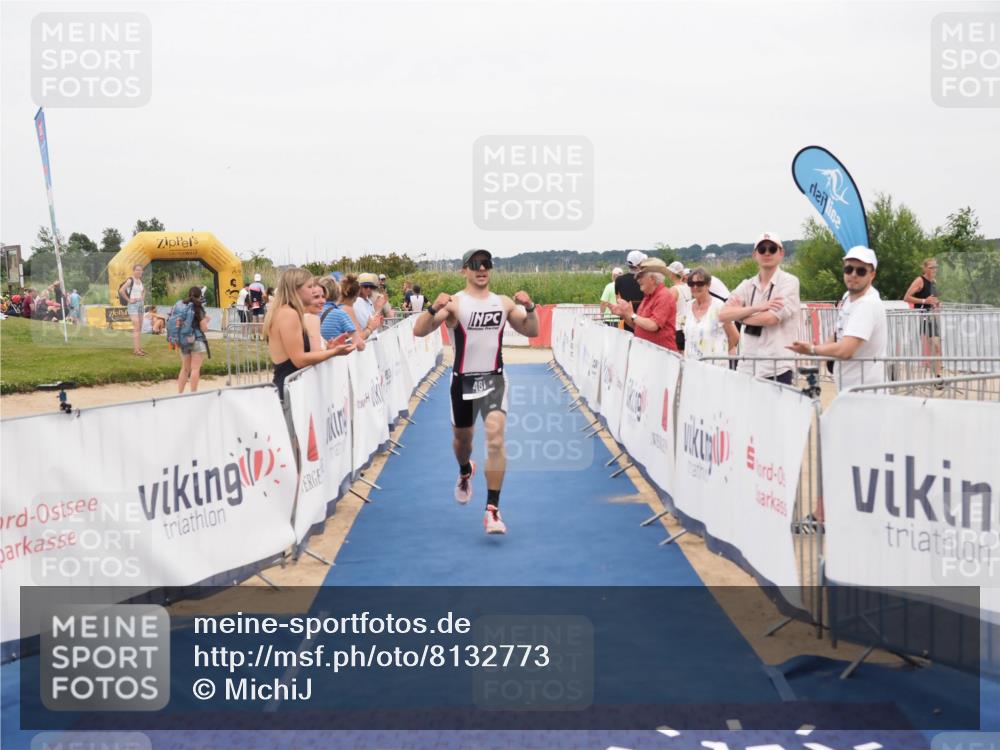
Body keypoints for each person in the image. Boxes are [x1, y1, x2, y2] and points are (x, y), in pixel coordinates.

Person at [411, 249, 539, 535]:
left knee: (495, 439)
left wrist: (530, 307)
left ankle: (492, 509)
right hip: (463, 382)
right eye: (476, 264)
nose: (482, 269)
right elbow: (419, 331)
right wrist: (433, 308)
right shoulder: (455, 303)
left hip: (494, 378)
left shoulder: (503, 303)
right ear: (464, 270)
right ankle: (465, 470)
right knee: (463, 442)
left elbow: (532, 331)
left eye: (486, 264)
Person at [788, 246, 887, 391]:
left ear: (872, 275)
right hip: (850, 386)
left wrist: (812, 349)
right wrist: (821, 350)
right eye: (849, 269)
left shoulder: (867, 304)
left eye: (861, 271)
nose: (853, 274)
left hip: (865, 391)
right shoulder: (848, 297)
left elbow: (846, 350)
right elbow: (838, 333)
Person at [719, 232, 801, 384]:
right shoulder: (747, 285)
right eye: (762, 249)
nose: (767, 253)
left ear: (781, 253)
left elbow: (770, 318)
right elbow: (722, 314)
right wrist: (756, 308)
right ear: (755, 254)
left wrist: (740, 317)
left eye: (772, 249)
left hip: (776, 368)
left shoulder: (789, 282)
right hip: (747, 366)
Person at [264, 269, 355, 399]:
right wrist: (334, 352)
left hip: (292, 388)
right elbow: (299, 360)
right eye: (309, 286)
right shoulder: (289, 313)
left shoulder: (285, 311)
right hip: (290, 391)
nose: (313, 291)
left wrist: (329, 349)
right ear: (296, 289)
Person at [610, 257, 678, 351]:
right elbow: (638, 326)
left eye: (640, 276)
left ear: (652, 279)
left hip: (661, 355)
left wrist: (631, 315)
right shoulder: (647, 297)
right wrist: (624, 314)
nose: (637, 280)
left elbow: (653, 325)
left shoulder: (664, 296)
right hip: (649, 353)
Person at [684, 267, 740, 363]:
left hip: (714, 366)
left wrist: (720, 353)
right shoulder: (687, 307)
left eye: (700, 283)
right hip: (692, 364)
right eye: (691, 284)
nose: (695, 287)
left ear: (708, 285)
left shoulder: (719, 306)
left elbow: (735, 336)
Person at [903, 257, 942, 379]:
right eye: (931, 267)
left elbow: (933, 299)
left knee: (936, 347)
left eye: (936, 267)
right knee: (935, 346)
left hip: (932, 316)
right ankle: (936, 377)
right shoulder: (920, 281)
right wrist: (925, 301)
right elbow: (906, 297)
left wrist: (937, 303)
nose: (934, 269)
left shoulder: (934, 282)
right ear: (924, 268)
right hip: (923, 316)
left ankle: (938, 377)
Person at [174, 287, 212, 393]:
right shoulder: (198, 307)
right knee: (195, 369)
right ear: (200, 296)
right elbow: (204, 328)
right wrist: (206, 321)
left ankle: (180, 393)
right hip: (197, 339)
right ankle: (193, 393)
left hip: (184, 340)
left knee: (185, 369)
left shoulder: (182, 306)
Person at [318, 277, 363, 350]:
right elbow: (360, 345)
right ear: (338, 293)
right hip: (337, 355)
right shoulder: (341, 314)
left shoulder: (309, 313)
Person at [340, 273, 383, 343]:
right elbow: (365, 323)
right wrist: (378, 309)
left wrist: (376, 321)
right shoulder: (358, 301)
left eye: (371, 287)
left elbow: (371, 322)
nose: (368, 289)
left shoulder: (368, 300)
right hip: (366, 341)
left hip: (370, 340)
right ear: (359, 288)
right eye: (365, 286)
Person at [119, 264, 148, 356]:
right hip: (133, 305)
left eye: (141, 270)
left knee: (140, 327)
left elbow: (143, 291)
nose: (139, 271)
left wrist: (142, 298)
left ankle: (139, 348)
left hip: (140, 305)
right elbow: (121, 290)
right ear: (134, 271)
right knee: (136, 326)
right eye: (137, 270)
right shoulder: (130, 280)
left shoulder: (140, 280)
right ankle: (136, 350)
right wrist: (129, 300)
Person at [614, 251, 646, 332]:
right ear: (640, 264)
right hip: (643, 318)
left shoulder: (619, 280)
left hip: (625, 318)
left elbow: (618, 299)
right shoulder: (646, 279)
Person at [666, 261, 691, 351]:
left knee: (677, 355)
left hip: (677, 327)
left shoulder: (673, 290)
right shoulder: (688, 287)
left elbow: (667, 310)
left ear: (673, 274)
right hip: (687, 325)